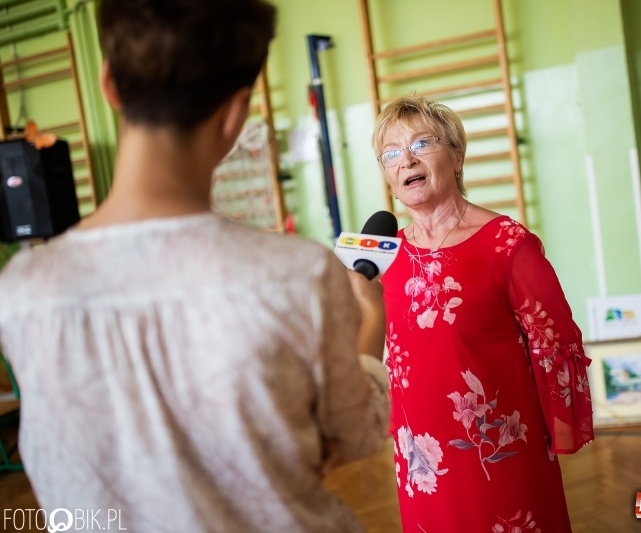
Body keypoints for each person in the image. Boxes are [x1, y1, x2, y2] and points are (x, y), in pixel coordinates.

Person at [0, 1, 389, 532]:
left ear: (110, 85)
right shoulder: (296, 275)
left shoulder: (21, 290)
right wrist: (372, 322)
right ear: (234, 114)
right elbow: (351, 433)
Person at [373, 94, 594, 532]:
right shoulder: (386, 252)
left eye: (421, 144)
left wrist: (557, 424)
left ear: (456, 156)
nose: (406, 161)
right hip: (420, 453)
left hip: (500, 443)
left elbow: (554, 340)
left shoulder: (507, 242)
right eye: (391, 153)